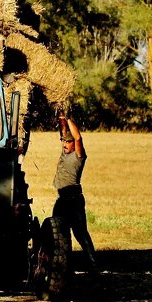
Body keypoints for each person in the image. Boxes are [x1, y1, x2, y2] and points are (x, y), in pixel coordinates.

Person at [53, 111, 98, 273]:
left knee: (80, 232)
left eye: (67, 142)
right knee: (58, 231)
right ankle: (64, 264)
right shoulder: (65, 153)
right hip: (61, 198)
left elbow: (78, 137)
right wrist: (62, 118)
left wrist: (70, 119)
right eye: (63, 142)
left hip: (74, 200)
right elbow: (64, 133)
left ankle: (93, 263)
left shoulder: (79, 156)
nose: (64, 145)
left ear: (73, 145)